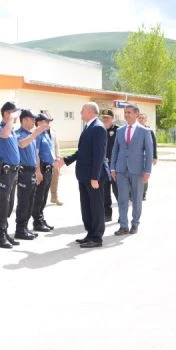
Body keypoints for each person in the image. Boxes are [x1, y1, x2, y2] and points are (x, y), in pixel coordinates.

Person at [56, 102, 110, 248]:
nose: (80, 113)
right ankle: (90, 234)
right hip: (84, 175)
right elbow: (83, 152)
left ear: (91, 112)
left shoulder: (98, 128)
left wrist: (95, 177)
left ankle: (97, 237)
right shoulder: (89, 127)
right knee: (87, 206)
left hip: (93, 176)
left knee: (96, 207)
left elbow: (99, 155)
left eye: (82, 111)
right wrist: (66, 160)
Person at [111, 105, 154, 234]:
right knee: (122, 198)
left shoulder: (145, 131)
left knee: (136, 199)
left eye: (129, 112)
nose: (126, 115)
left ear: (136, 114)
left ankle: (135, 223)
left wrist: (147, 171)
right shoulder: (120, 131)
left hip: (138, 170)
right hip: (121, 169)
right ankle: (123, 226)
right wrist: (113, 168)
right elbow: (115, 151)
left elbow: (149, 152)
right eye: (125, 112)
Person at [13, 110, 47, 240]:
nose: (34, 122)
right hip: (24, 171)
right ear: (25, 120)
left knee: (30, 201)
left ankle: (25, 227)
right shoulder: (19, 134)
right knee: (23, 201)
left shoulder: (32, 135)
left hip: (32, 170)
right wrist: (35, 133)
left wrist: (38, 171)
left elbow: (35, 155)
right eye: (32, 119)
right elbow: (22, 144)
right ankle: (20, 229)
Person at [0, 101, 21, 248]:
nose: (17, 116)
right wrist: (11, 118)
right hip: (5, 172)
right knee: (3, 204)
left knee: (9, 205)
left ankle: (4, 232)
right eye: (14, 113)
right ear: (7, 113)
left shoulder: (13, 130)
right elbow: (4, 135)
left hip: (13, 172)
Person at [31, 113, 56, 232]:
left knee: (44, 196)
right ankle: (37, 221)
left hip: (48, 168)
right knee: (39, 196)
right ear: (39, 122)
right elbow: (36, 154)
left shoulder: (46, 134)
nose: (49, 124)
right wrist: (37, 171)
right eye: (46, 121)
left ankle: (41, 218)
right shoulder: (38, 135)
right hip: (41, 168)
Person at [100, 109, 119, 222]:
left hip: (115, 166)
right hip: (103, 166)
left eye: (108, 117)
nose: (105, 119)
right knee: (105, 192)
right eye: (104, 117)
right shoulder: (99, 130)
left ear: (113, 119)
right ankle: (107, 214)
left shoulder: (118, 130)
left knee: (118, 191)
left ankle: (123, 214)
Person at [138, 113, 158, 201]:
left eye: (143, 118)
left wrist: (154, 156)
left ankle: (143, 193)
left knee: (144, 175)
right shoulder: (135, 130)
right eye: (140, 118)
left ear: (146, 120)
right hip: (136, 157)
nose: (141, 119)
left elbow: (153, 144)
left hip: (146, 157)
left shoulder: (149, 131)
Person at [49, 120, 63, 206]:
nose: (48, 123)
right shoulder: (36, 132)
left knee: (55, 179)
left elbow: (57, 145)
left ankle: (54, 197)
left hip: (53, 160)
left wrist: (58, 157)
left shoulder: (53, 132)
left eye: (49, 121)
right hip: (42, 161)